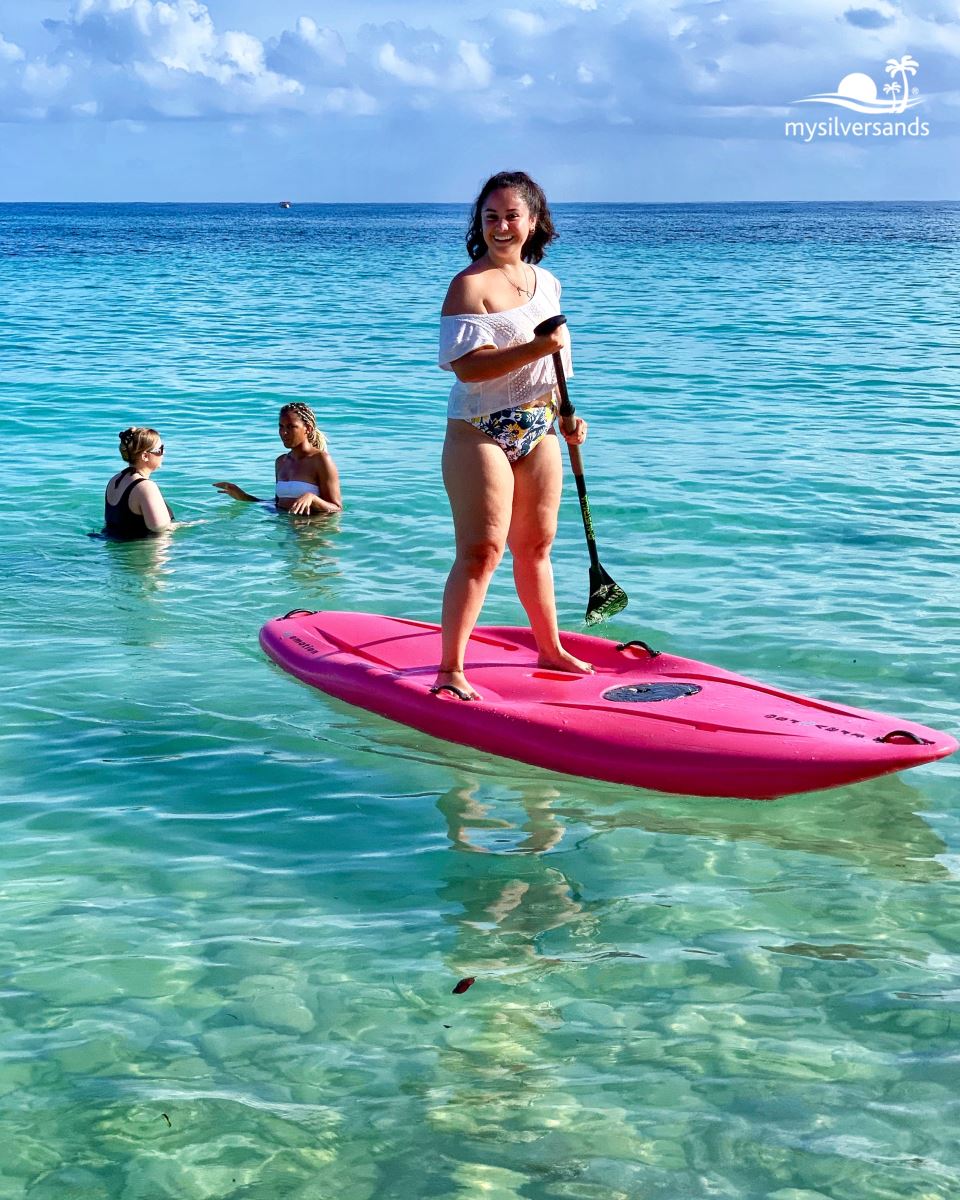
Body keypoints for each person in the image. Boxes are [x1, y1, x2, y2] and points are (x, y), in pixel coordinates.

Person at [433, 170, 592, 702]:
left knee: (538, 547)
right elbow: (468, 368)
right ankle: (450, 669)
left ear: (534, 222)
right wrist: (535, 349)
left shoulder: (548, 283)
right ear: (480, 223)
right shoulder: (469, 285)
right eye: (490, 217)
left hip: (539, 425)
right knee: (481, 552)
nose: (501, 226)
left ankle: (549, 648)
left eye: (511, 216)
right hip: (478, 430)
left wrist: (567, 413)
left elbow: (557, 363)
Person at [213, 403, 342, 515]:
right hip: (283, 526)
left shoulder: (321, 460)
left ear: (307, 429)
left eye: (291, 427)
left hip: (312, 530)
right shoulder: (281, 462)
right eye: (281, 426)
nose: (284, 432)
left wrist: (312, 499)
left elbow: (337, 508)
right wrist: (244, 497)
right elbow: (278, 503)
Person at [104, 427, 174, 539]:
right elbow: (160, 529)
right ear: (145, 456)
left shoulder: (115, 480)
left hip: (115, 552)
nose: (164, 452)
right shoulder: (146, 487)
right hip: (140, 552)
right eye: (160, 449)